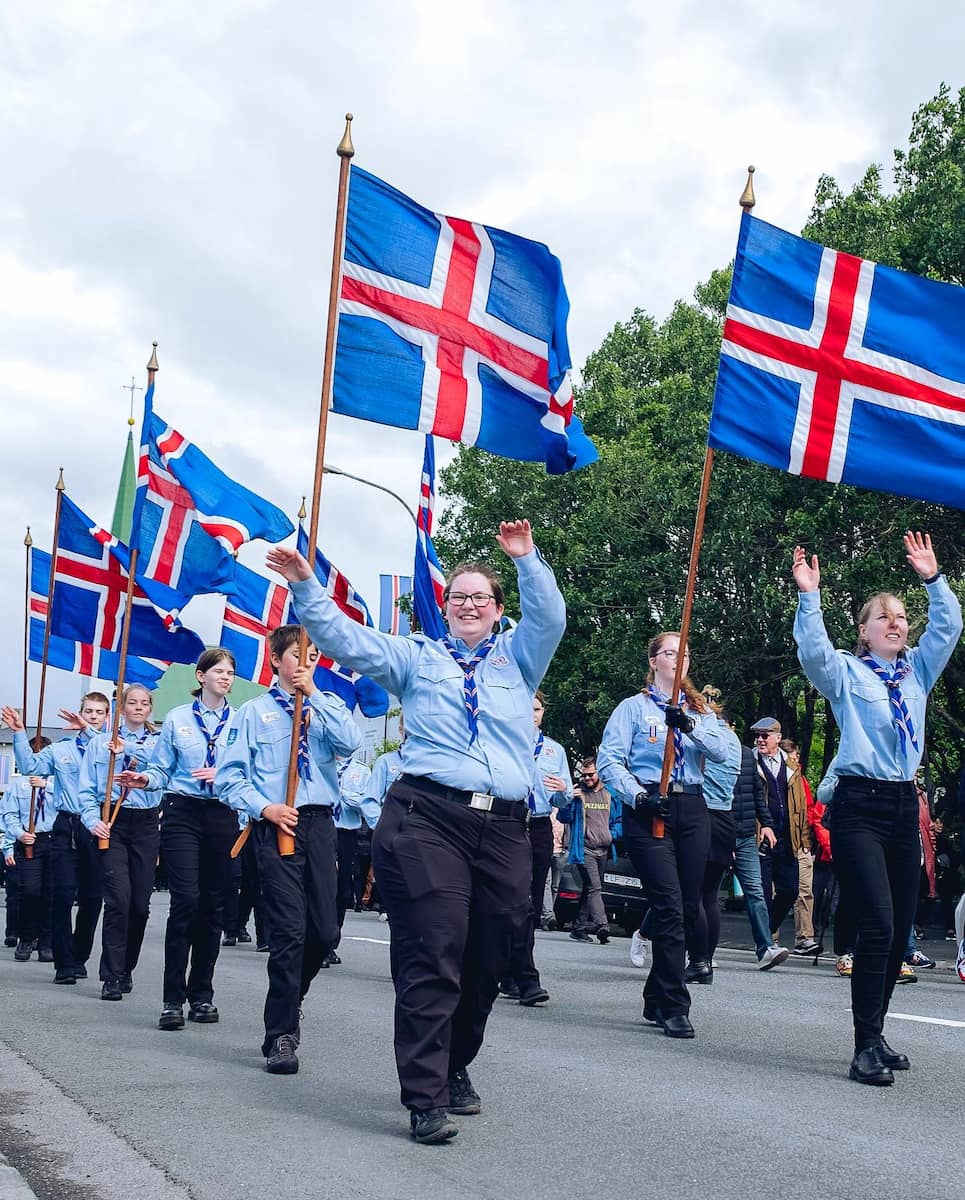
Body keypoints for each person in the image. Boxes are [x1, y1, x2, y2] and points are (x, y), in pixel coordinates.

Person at [266, 519, 565, 1144]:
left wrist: (525, 557)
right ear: (444, 606)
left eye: (481, 596)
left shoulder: (520, 659)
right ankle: (424, 1095)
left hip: (505, 827)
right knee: (435, 951)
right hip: (429, 817)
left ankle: (457, 1065)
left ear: (498, 608)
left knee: (491, 954)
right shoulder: (416, 657)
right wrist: (306, 585)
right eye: (458, 596)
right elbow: (344, 640)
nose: (469, 604)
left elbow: (551, 616)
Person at [792, 531, 961, 1085]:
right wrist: (809, 596)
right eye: (882, 616)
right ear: (863, 632)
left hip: (901, 805)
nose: (895, 622)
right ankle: (863, 1046)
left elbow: (950, 627)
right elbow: (813, 654)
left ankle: (878, 1029)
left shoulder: (917, 672)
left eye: (900, 615)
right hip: (859, 804)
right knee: (880, 923)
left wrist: (934, 581)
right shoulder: (848, 672)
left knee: (900, 930)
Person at [218, 624, 361, 1076]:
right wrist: (266, 807)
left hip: (319, 824)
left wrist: (314, 695)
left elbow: (351, 743)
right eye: (298, 654)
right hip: (275, 824)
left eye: (314, 654)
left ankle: (292, 995)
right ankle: (279, 1033)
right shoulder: (252, 713)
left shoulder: (326, 704)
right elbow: (229, 777)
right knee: (288, 933)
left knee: (324, 932)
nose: (307, 661)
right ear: (276, 658)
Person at [597, 632, 726, 1039]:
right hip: (651, 808)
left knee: (689, 906)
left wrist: (689, 727)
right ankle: (674, 1003)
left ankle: (656, 993)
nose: (677, 659)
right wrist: (637, 796)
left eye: (683, 653)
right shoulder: (632, 709)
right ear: (654, 661)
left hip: (691, 807)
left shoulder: (701, 712)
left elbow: (723, 752)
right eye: (669, 653)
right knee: (668, 906)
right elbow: (609, 760)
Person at [117, 649, 239, 1030]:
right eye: (218, 671)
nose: (226, 677)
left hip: (222, 812)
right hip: (182, 811)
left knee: (213, 907)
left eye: (230, 672)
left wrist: (223, 774)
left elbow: (252, 767)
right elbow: (160, 768)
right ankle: (172, 997)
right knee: (186, 899)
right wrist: (144, 780)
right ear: (201, 676)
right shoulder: (177, 718)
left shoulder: (241, 721)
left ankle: (202, 993)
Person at [3, 696, 111, 983]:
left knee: (92, 897)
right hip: (67, 825)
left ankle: (80, 955)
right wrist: (18, 732)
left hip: (99, 825)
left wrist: (92, 732)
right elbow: (30, 766)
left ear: (107, 718)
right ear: (79, 713)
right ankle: (63, 961)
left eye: (99, 713)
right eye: (88, 711)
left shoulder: (111, 750)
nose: (93, 716)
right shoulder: (62, 750)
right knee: (62, 894)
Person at [78, 684, 161, 1001]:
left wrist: (127, 748)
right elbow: (85, 790)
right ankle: (111, 974)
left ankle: (126, 967)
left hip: (145, 822)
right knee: (118, 900)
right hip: (111, 819)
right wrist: (92, 820)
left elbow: (161, 772)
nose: (139, 707)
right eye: (132, 702)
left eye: (144, 703)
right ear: (121, 707)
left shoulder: (157, 743)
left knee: (140, 905)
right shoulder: (100, 744)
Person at [500, 690, 572, 1003]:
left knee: (528, 902)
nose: (532, 714)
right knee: (512, 901)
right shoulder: (503, 743)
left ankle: (517, 973)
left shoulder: (555, 751)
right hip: (509, 824)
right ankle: (519, 974)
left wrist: (562, 792)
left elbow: (565, 800)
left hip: (540, 826)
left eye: (538, 709)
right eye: (527, 708)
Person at [750, 718, 816, 954]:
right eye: (757, 735)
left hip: (788, 838)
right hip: (761, 838)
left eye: (765, 735)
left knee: (790, 890)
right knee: (764, 893)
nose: (760, 739)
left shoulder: (791, 766)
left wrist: (805, 839)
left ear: (777, 737)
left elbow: (801, 805)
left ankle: (766, 932)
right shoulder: (750, 763)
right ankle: (766, 944)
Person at [687, 700, 740, 982]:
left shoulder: (704, 736)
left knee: (693, 894)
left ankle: (696, 959)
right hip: (725, 817)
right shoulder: (733, 739)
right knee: (710, 895)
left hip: (702, 813)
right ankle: (706, 959)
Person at [728, 722, 786, 969]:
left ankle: (765, 949)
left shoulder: (744, 756)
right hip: (719, 835)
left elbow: (756, 794)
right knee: (702, 893)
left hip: (745, 837)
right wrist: (721, 835)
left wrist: (767, 824)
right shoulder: (705, 755)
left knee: (756, 892)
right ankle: (698, 951)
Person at [559, 752, 618, 944]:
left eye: (590, 774)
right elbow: (563, 818)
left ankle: (579, 927)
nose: (586, 778)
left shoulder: (610, 792)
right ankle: (602, 925)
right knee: (595, 887)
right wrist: (568, 800)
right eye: (583, 775)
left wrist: (612, 835)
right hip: (584, 849)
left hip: (604, 848)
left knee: (590, 888)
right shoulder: (577, 793)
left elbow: (619, 819)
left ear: (599, 773)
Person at [0, 763, 55, 961]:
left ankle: (46, 943)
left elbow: (71, 802)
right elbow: (9, 814)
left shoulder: (58, 782)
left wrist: (46, 786)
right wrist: (20, 834)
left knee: (52, 894)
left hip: (56, 839)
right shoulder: (20, 783)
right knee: (30, 892)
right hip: (31, 840)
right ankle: (26, 937)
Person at [329, 752, 373, 965]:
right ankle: (315, 938)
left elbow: (367, 803)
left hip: (346, 833)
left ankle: (331, 943)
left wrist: (342, 793)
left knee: (342, 890)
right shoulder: (318, 762)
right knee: (319, 886)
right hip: (321, 829)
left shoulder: (362, 771)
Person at [781, 737, 818, 955]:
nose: (796, 762)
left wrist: (806, 842)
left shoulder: (800, 779)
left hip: (800, 843)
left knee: (805, 890)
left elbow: (807, 810)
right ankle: (770, 938)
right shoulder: (772, 775)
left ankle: (805, 937)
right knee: (777, 891)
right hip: (779, 840)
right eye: (793, 758)